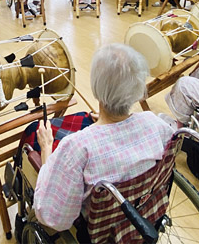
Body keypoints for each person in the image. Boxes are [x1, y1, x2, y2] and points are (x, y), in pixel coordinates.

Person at [32, 44, 174, 232]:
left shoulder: (78, 147)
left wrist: (46, 149)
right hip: (144, 215)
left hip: (100, 232)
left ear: (96, 87)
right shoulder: (156, 125)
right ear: (138, 87)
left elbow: (53, 218)